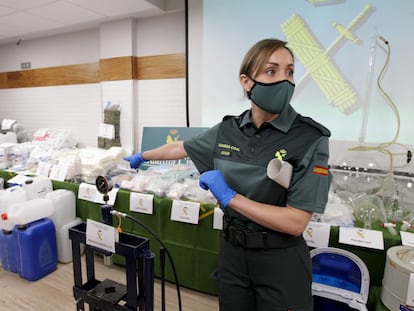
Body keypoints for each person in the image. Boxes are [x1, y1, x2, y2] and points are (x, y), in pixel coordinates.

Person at [125, 38, 332, 311]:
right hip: (232, 252)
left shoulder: (309, 137)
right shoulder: (228, 130)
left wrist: (230, 197)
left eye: (290, 72)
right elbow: (180, 146)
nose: (285, 80)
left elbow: (295, 222)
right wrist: (143, 156)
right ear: (247, 82)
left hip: (280, 257)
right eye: (272, 71)